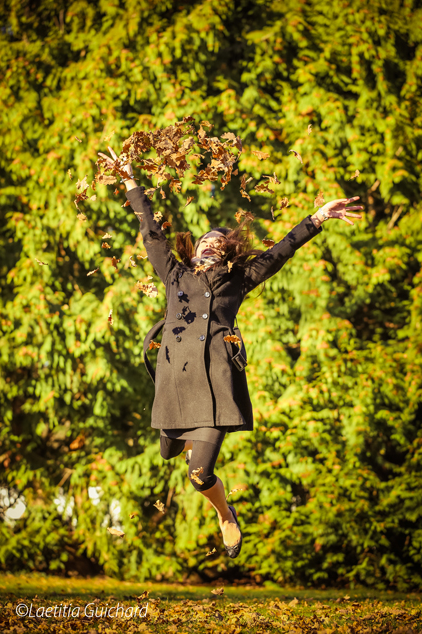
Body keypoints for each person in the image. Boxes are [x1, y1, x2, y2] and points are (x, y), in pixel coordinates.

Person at [98, 146, 363, 558]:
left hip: (215, 385)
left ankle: (225, 514)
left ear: (228, 253)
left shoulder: (238, 279)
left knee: (199, 474)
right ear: (195, 249)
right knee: (168, 452)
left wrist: (318, 218)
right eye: (206, 240)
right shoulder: (174, 274)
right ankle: (187, 442)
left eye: (219, 244)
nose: (211, 245)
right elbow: (151, 232)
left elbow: (280, 251)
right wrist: (130, 180)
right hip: (175, 380)